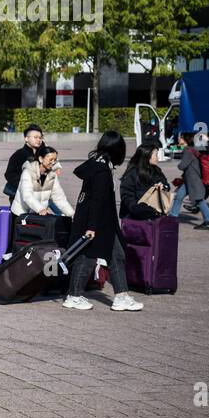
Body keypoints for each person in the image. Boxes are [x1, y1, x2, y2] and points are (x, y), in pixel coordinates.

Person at [64, 130, 141, 311]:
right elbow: (97, 200)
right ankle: (74, 295)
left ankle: (121, 296)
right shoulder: (102, 171)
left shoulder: (97, 164)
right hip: (97, 223)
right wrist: (91, 227)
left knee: (116, 256)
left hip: (103, 223)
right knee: (87, 258)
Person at [168, 132, 209, 230]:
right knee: (179, 196)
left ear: (185, 140)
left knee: (199, 200)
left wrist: (178, 165)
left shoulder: (188, 150)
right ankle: (173, 217)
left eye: (181, 137)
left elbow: (182, 166)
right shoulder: (193, 149)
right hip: (189, 179)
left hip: (193, 179)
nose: (179, 139)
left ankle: (208, 221)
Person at [12, 144, 73, 216]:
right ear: (41, 159)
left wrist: (71, 214)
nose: (53, 163)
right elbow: (27, 195)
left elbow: (59, 198)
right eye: (50, 160)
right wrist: (40, 209)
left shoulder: (52, 175)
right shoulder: (28, 172)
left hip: (38, 214)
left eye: (55, 160)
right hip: (21, 214)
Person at [119, 143, 171, 220]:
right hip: (134, 217)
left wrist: (163, 186)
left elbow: (166, 185)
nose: (158, 158)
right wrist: (136, 208)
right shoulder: (133, 173)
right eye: (156, 155)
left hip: (153, 214)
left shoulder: (157, 170)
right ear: (147, 156)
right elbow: (127, 194)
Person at [3, 124, 43, 202]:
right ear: (26, 138)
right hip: (19, 197)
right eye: (35, 137)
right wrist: (24, 186)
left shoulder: (41, 156)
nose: (38, 140)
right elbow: (9, 174)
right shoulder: (19, 154)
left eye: (40, 138)